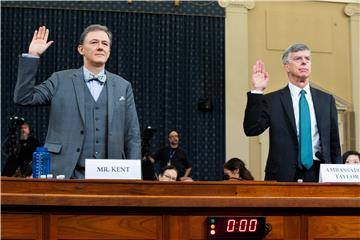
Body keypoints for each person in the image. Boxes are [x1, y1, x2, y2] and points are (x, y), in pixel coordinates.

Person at [13, 25, 141, 179]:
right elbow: (24, 98)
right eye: (94, 42)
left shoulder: (123, 86)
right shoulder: (59, 80)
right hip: (64, 171)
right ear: (81, 49)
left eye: (105, 44)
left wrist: (134, 176)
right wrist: (33, 56)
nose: (100, 47)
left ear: (109, 51)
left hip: (111, 173)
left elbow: (132, 135)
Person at [243, 43, 341, 182]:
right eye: (298, 58)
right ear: (286, 66)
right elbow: (251, 129)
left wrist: (337, 178)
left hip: (320, 173)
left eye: (307, 59)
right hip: (282, 175)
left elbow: (334, 144)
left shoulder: (326, 100)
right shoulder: (273, 101)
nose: (304, 62)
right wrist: (257, 91)